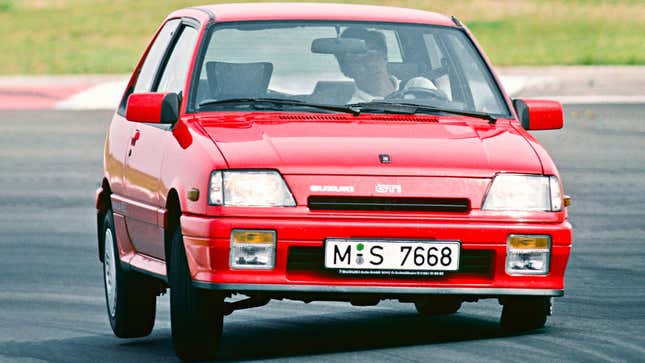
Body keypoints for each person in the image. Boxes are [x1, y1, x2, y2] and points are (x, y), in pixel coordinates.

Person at [335, 27, 443, 103]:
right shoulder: (351, 109)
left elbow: (442, 115)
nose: (370, 64)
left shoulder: (418, 86)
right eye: (357, 61)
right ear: (346, 70)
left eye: (373, 55)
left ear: (385, 56)